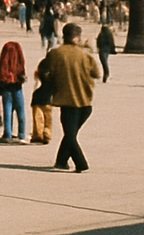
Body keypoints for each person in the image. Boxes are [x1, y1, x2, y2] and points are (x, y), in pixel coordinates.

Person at [46, 22, 100, 173]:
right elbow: (97, 74)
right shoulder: (85, 56)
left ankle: (81, 162)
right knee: (71, 133)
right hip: (85, 102)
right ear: (77, 37)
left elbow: (44, 69)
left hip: (67, 101)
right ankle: (61, 161)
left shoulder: (56, 53)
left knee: (70, 134)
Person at [30, 56, 54, 144]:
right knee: (48, 119)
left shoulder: (41, 71)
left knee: (38, 118)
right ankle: (47, 134)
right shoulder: (54, 78)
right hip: (48, 99)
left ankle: (38, 135)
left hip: (37, 98)